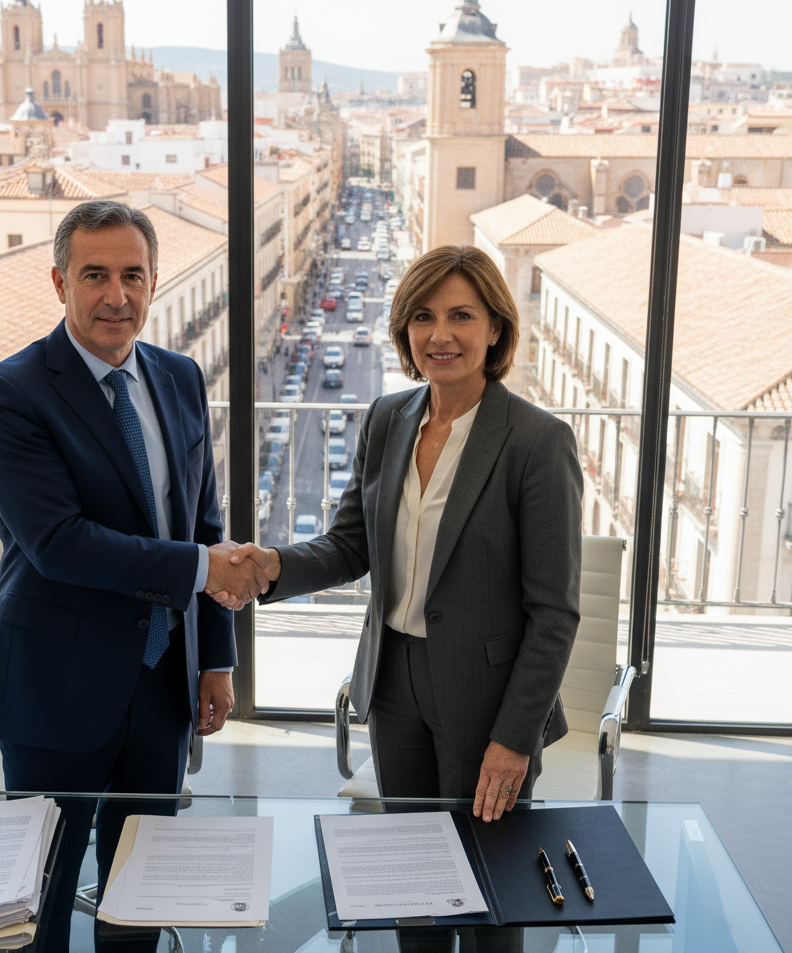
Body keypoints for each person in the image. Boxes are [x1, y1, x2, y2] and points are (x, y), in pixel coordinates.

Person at [0, 200, 268, 953]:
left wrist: (217, 658)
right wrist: (205, 569)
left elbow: (199, 520)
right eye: (95, 275)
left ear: (155, 281)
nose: (116, 295)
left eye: (132, 275)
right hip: (56, 683)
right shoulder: (10, 394)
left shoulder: (180, 375)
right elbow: (60, 544)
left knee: (140, 896)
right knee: (39, 902)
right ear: (59, 281)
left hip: (165, 682)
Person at [216, 245, 582, 816]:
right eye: (423, 316)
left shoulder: (537, 442)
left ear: (495, 329)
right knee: (410, 860)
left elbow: (554, 612)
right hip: (391, 681)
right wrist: (274, 566)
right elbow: (350, 544)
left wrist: (515, 737)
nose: (440, 334)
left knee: (482, 869)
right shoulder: (388, 418)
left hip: (485, 695)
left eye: (461, 315)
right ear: (404, 328)